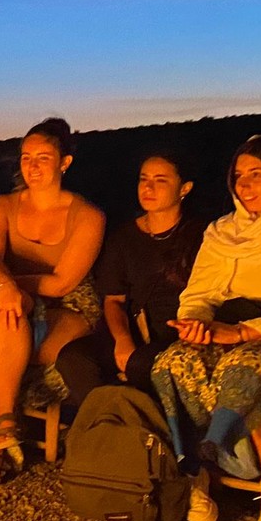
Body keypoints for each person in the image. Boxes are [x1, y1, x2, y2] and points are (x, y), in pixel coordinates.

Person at [151, 134, 261, 521]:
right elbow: (200, 293)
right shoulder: (223, 232)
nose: (244, 185)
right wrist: (198, 324)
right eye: (239, 176)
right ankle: (196, 472)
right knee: (172, 362)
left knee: (252, 365)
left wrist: (243, 333)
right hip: (229, 326)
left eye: (257, 175)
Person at [0, 118, 105, 486]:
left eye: (43, 157)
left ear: (65, 163)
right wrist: (4, 286)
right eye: (26, 157)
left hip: (69, 306)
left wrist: (6, 285)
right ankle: (6, 425)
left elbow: (62, 283)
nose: (32, 165)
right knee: (0, 320)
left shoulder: (87, 216)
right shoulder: (2, 205)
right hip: (13, 300)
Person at [56, 153, 206, 405]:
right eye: (143, 179)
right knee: (73, 358)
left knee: (142, 365)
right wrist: (123, 340)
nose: (148, 187)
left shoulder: (202, 234)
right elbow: (114, 299)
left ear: (185, 188)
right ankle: (109, 425)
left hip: (182, 334)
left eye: (160, 180)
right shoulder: (123, 238)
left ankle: (152, 433)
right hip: (137, 330)